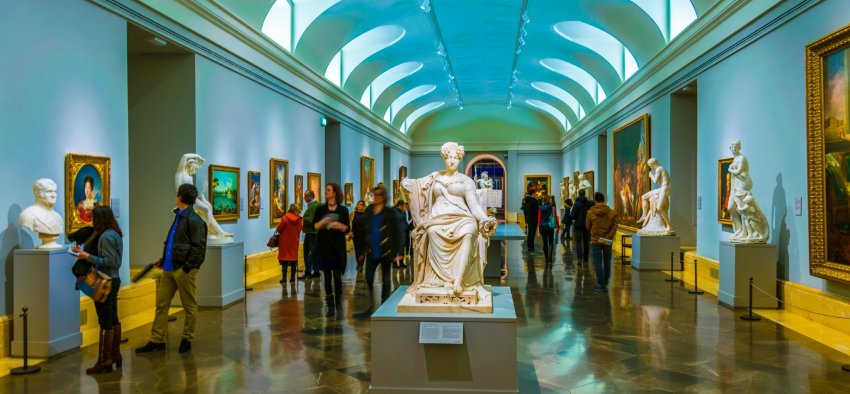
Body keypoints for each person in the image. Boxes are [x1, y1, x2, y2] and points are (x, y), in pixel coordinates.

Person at [401, 142, 497, 297]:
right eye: (449, 158)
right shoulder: (435, 178)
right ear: (444, 158)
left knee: (468, 234)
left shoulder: (466, 181)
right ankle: (438, 278)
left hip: (463, 218)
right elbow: (416, 186)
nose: (452, 161)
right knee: (431, 232)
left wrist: (485, 219)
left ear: (459, 159)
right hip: (439, 219)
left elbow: (474, 205)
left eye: (455, 158)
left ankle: (458, 281)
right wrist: (407, 183)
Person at [136, 183, 207, 354]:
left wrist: (187, 268)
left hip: (183, 270)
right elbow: (176, 242)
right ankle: (156, 339)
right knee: (161, 305)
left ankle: (187, 338)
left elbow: (198, 249)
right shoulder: (179, 216)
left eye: (177, 194)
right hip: (168, 268)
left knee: (189, 306)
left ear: (180, 197)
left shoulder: (195, 220)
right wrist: (164, 258)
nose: (176, 196)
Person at [74, 206, 123, 374]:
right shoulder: (113, 233)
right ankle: (115, 355)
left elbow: (110, 262)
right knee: (113, 318)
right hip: (113, 279)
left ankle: (104, 360)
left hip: (106, 280)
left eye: (94, 218)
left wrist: (87, 257)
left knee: (105, 320)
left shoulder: (107, 236)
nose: (92, 221)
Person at [357, 187, 404, 316]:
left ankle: (384, 304)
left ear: (383, 197)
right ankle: (371, 304)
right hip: (372, 250)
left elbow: (398, 232)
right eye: (374, 195)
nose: (375, 197)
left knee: (386, 280)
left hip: (386, 251)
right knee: (368, 277)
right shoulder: (368, 211)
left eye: (378, 195)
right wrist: (361, 251)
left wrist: (397, 252)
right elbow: (364, 231)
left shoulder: (389, 212)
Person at [313, 183, 350, 317]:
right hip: (324, 247)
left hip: (338, 247)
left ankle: (339, 303)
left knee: (337, 277)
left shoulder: (343, 210)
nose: (326, 192)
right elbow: (315, 226)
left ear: (335, 193)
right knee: (327, 277)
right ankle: (330, 305)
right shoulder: (320, 209)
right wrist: (323, 223)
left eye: (328, 190)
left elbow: (347, 228)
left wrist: (340, 227)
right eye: (326, 190)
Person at [586, 192, 618, 293]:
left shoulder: (590, 212)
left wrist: (595, 232)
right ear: (604, 199)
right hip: (607, 239)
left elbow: (587, 226)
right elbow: (614, 227)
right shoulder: (612, 212)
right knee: (607, 261)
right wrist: (608, 236)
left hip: (595, 240)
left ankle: (601, 284)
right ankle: (605, 281)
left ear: (595, 200)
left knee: (598, 262)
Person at [276, 203, 303, 284]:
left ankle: (284, 278)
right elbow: (300, 228)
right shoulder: (300, 220)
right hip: (294, 242)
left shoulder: (285, 218)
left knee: (284, 260)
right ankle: (292, 278)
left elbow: (278, 229)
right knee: (293, 260)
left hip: (284, 242)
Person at [299, 190, 320, 279]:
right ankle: (316, 271)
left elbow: (311, 219)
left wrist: (302, 218)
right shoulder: (316, 205)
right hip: (315, 232)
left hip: (311, 232)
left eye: (306, 196)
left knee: (308, 252)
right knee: (314, 252)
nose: (304, 199)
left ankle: (308, 271)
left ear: (311, 196)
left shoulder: (313, 206)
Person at [571, 189, 594, 266]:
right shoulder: (590, 203)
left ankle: (579, 259)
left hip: (578, 225)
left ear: (578, 194)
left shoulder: (576, 203)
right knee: (586, 242)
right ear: (585, 194)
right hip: (587, 225)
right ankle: (586, 259)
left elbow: (573, 215)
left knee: (578, 242)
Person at [537, 195, 560, 263]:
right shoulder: (552, 208)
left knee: (545, 242)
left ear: (543, 200)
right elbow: (555, 217)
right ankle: (550, 256)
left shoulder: (540, 208)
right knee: (550, 242)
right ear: (549, 200)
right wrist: (558, 226)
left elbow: (539, 218)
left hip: (543, 226)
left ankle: (546, 258)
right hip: (550, 226)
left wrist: (538, 227)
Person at [348, 200, 367, 272]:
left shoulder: (366, 214)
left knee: (362, 250)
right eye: (359, 204)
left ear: (364, 206)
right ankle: (358, 263)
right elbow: (349, 223)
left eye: (361, 204)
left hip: (364, 234)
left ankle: (361, 264)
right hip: (355, 234)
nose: (360, 206)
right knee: (357, 250)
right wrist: (350, 232)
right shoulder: (352, 214)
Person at [392, 200, 409, 269]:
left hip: (403, 232)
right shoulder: (394, 211)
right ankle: (395, 263)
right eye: (403, 206)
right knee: (396, 248)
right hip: (396, 232)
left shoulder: (402, 212)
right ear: (400, 205)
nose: (404, 207)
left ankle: (401, 262)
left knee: (402, 248)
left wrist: (406, 227)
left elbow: (404, 221)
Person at [521, 188, 540, 252]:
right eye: (535, 193)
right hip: (534, 219)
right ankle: (531, 246)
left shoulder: (527, 200)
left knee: (530, 232)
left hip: (529, 218)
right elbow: (536, 210)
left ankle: (529, 245)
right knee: (532, 233)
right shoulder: (534, 201)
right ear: (533, 193)